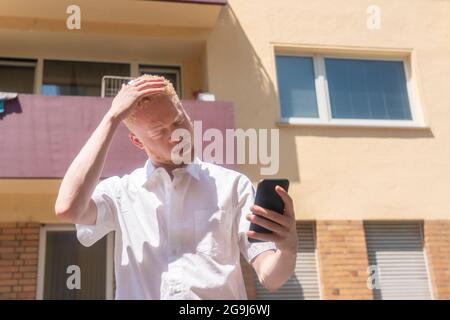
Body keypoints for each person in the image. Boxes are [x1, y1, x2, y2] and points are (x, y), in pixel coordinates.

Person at [55, 74, 298, 299]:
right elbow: (68, 208)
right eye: (160, 131)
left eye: (179, 120)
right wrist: (111, 118)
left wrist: (287, 248)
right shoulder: (120, 193)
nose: (177, 134)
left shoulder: (233, 186)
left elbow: (271, 277)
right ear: (137, 141)